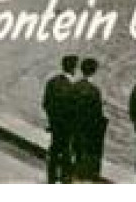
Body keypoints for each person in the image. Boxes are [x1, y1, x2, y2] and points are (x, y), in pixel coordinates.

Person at [42, 54, 79, 183]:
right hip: (68, 126)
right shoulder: (73, 87)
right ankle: (65, 177)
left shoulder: (52, 82)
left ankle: (51, 178)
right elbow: (74, 109)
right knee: (67, 151)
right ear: (74, 68)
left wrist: (52, 120)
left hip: (55, 124)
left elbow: (46, 103)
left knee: (54, 149)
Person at [72, 57, 107, 183]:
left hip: (74, 127)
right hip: (87, 130)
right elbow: (97, 115)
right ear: (94, 71)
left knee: (76, 153)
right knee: (85, 156)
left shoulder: (74, 86)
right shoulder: (94, 91)